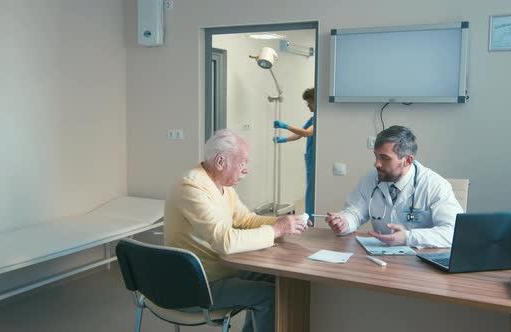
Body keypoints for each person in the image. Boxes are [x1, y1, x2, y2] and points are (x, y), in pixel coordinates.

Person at [164, 129, 310, 332]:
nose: (246, 170)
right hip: (195, 286)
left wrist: (284, 222)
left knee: (278, 279)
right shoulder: (191, 188)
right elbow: (225, 241)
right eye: (243, 162)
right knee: (268, 295)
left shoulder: (222, 185)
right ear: (221, 162)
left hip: (218, 272)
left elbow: (246, 219)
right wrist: (275, 230)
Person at [324, 125, 463, 248]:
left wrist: (408, 237)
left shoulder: (434, 185)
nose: (376, 164)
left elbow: (454, 232)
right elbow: (355, 212)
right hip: (380, 260)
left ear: (407, 160)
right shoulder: (370, 179)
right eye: (376, 156)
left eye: (384, 158)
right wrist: (345, 222)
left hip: (420, 264)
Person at [273, 87, 315, 218]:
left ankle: (310, 217)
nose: (308, 106)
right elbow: (299, 134)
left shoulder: (320, 118)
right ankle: (308, 215)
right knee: (309, 187)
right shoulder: (313, 118)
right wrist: (284, 139)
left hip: (315, 159)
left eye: (309, 102)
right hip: (310, 157)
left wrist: (285, 126)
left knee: (311, 190)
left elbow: (308, 133)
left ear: (316, 101)